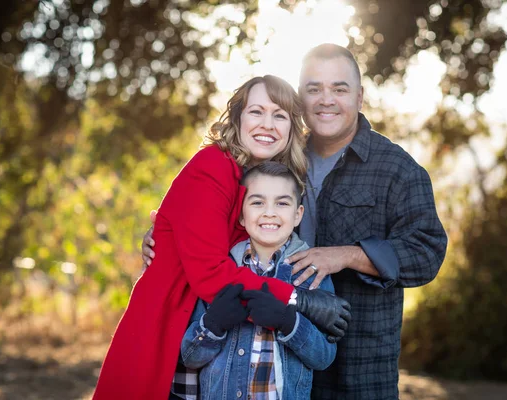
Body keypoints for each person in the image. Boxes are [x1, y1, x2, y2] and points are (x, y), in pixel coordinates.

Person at [143, 44, 448, 399]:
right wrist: (167, 238)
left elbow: (426, 254)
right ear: (300, 99)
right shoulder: (279, 157)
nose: (326, 99)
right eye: (313, 89)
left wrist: (346, 255)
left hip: (358, 365)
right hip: (274, 364)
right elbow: (224, 224)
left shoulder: (397, 169)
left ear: (360, 96)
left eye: (339, 88)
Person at [94, 75, 351, 400]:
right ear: (238, 118)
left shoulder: (265, 182)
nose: (267, 124)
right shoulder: (212, 166)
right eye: (256, 112)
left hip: (222, 333)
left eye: (280, 115)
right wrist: (299, 300)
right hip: (175, 320)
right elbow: (211, 276)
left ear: (291, 128)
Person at [181, 161, 336, 400]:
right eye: (257, 202)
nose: (269, 212)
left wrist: (289, 323)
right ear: (241, 215)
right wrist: (213, 325)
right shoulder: (220, 269)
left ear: (298, 215)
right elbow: (190, 356)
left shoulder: (310, 274)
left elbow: (324, 357)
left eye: (282, 203)